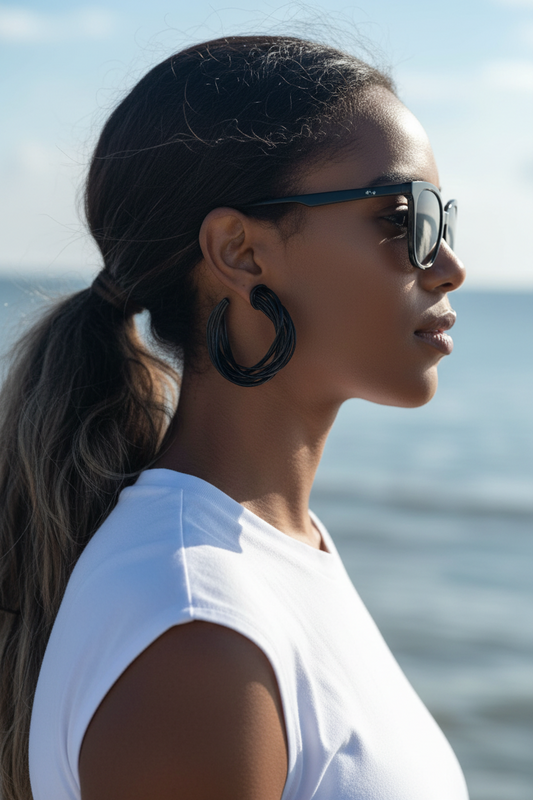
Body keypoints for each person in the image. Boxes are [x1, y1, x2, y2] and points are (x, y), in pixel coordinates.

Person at [0, 35, 468, 800]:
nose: (448, 265)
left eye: (443, 218)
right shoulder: (197, 632)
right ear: (240, 253)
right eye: (401, 218)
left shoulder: (268, 559)